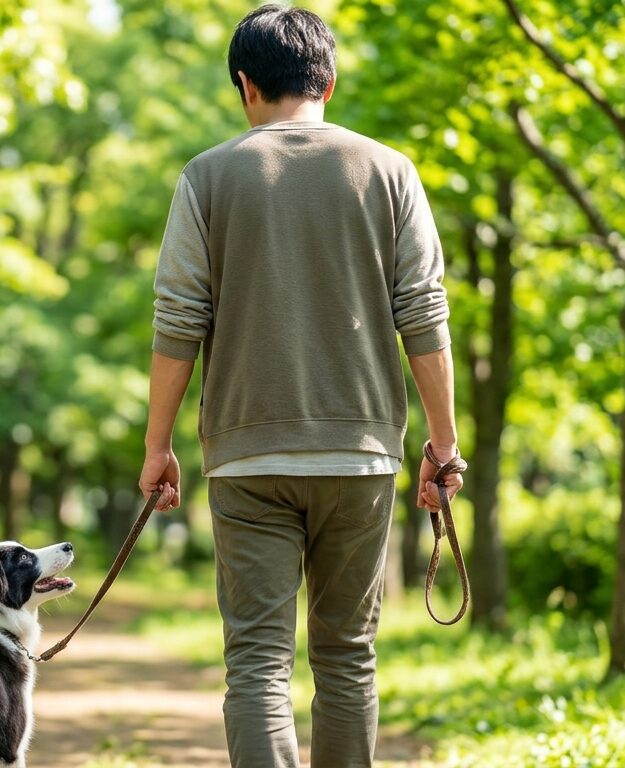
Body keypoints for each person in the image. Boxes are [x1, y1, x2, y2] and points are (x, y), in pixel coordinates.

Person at [137, 5, 464, 767]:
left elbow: (178, 318)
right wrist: (441, 442)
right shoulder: (389, 171)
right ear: (331, 79)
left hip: (248, 458)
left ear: (245, 86)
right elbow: (423, 310)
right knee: (348, 657)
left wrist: (158, 446)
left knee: (256, 662)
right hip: (360, 455)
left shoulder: (208, 176)